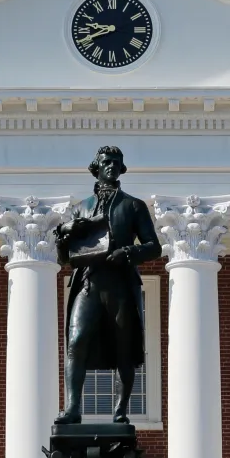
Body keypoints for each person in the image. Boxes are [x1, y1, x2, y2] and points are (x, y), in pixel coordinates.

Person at [54, 146, 161, 424]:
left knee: (124, 347)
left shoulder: (134, 205)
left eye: (117, 162)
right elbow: (66, 258)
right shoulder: (82, 207)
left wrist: (127, 253)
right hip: (89, 283)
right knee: (76, 342)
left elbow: (154, 247)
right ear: (96, 167)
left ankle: (120, 411)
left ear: (122, 168)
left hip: (120, 285)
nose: (112, 166)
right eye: (106, 162)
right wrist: (64, 238)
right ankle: (73, 408)